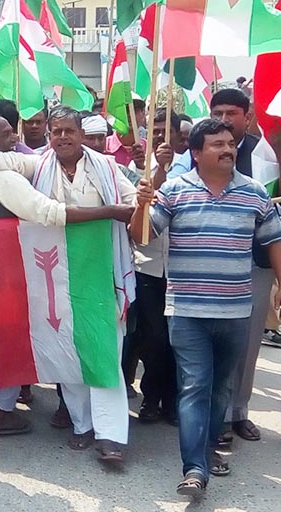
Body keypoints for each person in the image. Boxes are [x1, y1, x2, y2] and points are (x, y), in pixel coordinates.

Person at [0, 104, 137, 466]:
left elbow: (134, 207)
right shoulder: (36, 164)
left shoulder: (110, 171)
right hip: (53, 274)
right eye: (57, 132)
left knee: (104, 354)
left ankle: (110, 436)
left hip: (100, 274)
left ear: (83, 134)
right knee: (65, 347)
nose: (63, 137)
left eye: (70, 131)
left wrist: (144, 197)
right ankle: (82, 426)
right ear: (50, 136)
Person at [130, 118, 281, 499]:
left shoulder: (253, 193)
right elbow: (143, 235)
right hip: (187, 311)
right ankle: (195, 469)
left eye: (230, 143)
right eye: (217, 144)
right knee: (195, 386)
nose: (228, 149)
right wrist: (140, 205)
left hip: (236, 312)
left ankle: (205, 454)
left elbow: (276, 240)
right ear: (197, 153)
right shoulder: (173, 190)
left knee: (220, 390)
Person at [167, 88, 281, 442]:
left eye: (232, 113)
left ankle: (236, 413)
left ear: (247, 116)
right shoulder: (191, 156)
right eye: (218, 112)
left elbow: (277, 222)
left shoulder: (265, 153)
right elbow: (163, 204)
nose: (225, 120)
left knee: (247, 347)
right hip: (196, 277)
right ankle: (207, 426)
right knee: (199, 364)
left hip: (252, 265)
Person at [124, 109, 180, 425]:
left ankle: (171, 401)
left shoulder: (191, 167)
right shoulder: (134, 168)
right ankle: (150, 399)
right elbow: (148, 202)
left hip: (181, 269)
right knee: (153, 338)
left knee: (176, 340)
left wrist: (168, 165)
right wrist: (158, 167)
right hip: (146, 267)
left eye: (166, 131)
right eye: (154, 130)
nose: (159, 136)